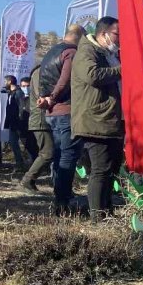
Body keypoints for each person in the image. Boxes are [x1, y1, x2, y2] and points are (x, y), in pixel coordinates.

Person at [70, 16, 123, 220]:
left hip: (111, 120)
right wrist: (122, 70)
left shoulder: (110, 54)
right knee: (100, 170)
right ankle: (97, 217)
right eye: (117, 34)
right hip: (95, 120)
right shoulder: (86, 51)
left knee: (111, 169)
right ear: (103, 34)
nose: (120, 40)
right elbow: (92, 75)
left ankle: (106, 210)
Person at [37, 24, 84, 212]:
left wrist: (45, 98)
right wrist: (53, 97)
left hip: (52, 113)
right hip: (65, 109)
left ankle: (59, 194)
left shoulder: (51, 52)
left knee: (58, 155)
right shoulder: (71, 53)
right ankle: (63, 199)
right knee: (68, 156)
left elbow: (43, 78)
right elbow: (65, 80)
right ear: (80, 37)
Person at [18, 65, 54, 193]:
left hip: (45, 118)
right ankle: (27, 180)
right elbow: (42, 96)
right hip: (41, 119)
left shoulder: (42, 71)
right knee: (47, 152)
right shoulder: (41, 72)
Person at [3, 75, 27, 169]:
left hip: (18, 124)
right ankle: (19, 163)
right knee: (13, 144)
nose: (5, 83)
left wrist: (20, 122)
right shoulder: (11, 93)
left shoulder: (18, 93)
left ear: (10, 82)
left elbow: (22, 108)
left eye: (6, 81)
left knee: (27, 144)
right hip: (12, 124)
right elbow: (9, 110)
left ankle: (32, 162)